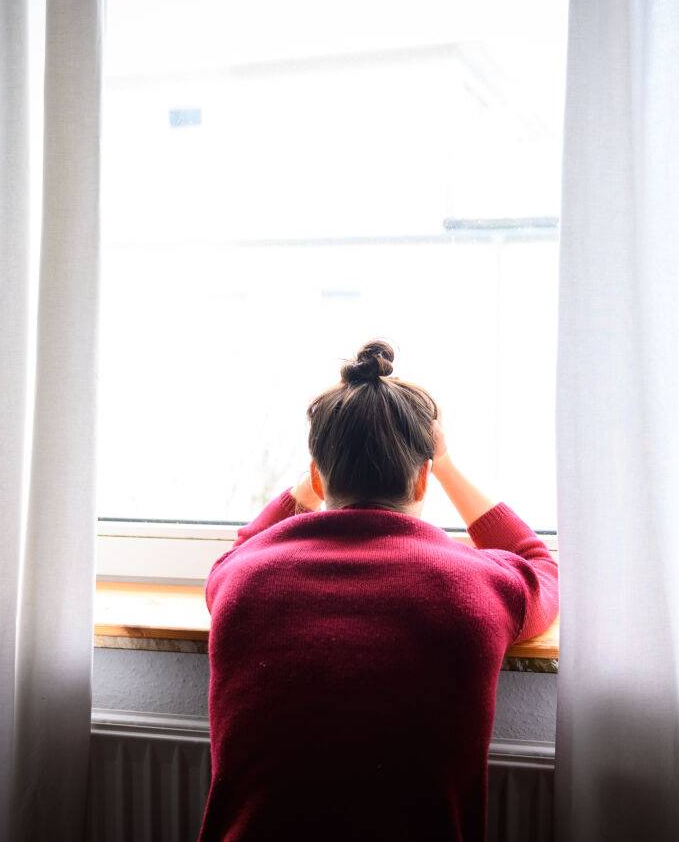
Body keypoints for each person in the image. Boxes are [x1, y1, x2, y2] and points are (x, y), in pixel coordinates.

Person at [198, 340, 560, 841]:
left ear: (317, 478)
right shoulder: (479, 587)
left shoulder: (242, 578)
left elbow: (243, 545)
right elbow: (540, 564)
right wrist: (445, 463)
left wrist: (318, 472)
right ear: (422, 481)